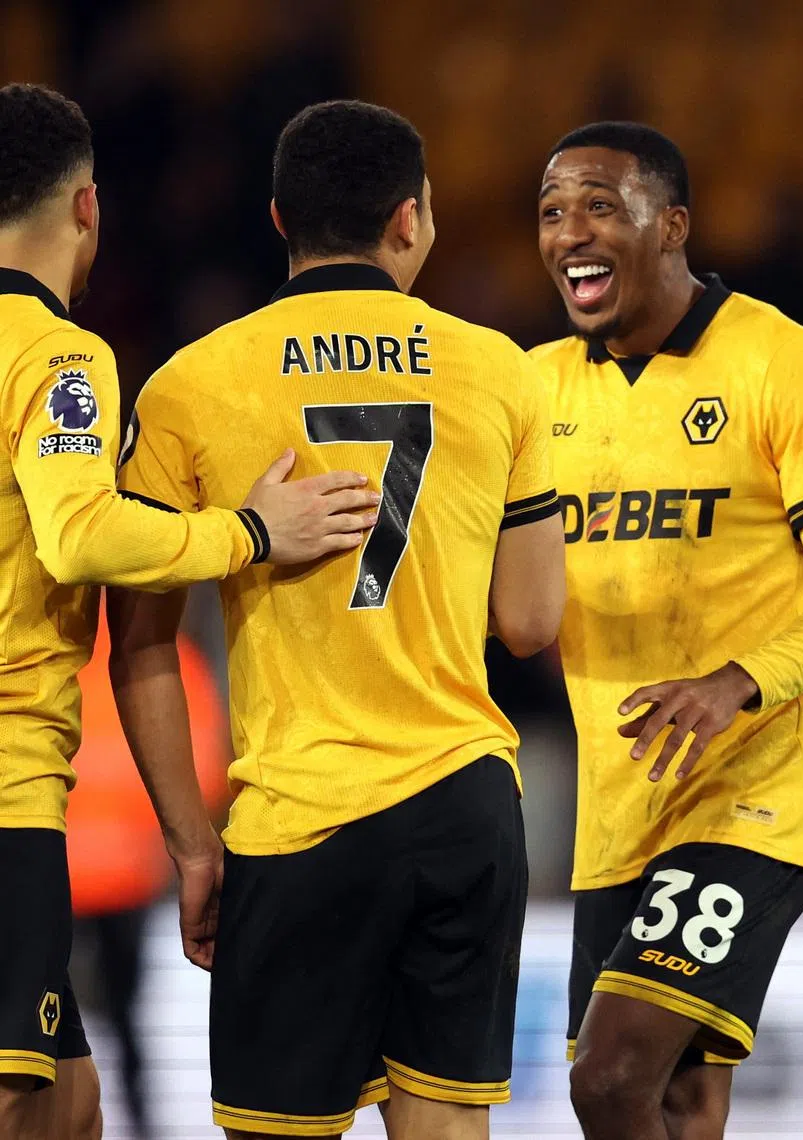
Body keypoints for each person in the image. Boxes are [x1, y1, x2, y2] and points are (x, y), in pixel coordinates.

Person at [108, 100, 566, 1140]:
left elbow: (141, 643)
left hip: (298, 819)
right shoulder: (501, 369)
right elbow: (533, 618)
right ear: (410, 221)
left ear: (279, 220)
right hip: (463, 802)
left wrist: (191, 846)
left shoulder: (190, 383)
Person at [0, 83, 375, 1140]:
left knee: (72, 1103)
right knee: (22, 1102)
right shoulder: (57, 358)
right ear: (86, 210)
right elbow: (79, 535)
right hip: (6, 787)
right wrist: (246, 535)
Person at [529, 120, 803, 1140]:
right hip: (618, 802)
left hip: (755, 785)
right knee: (679, 1097)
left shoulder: (787, 363)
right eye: (552, 213)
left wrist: (736, 681)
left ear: (672, 225)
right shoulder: (531, 390)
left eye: (600, 206)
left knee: (608, 1081)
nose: (570, 234)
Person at [68, 612, 229, 1140]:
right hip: (117, 871)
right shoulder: (163, 648)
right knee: (122, 1017)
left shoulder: (36, 639)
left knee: (38, 1027)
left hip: (58, 867)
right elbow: (204, 766)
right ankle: (140, 1124)